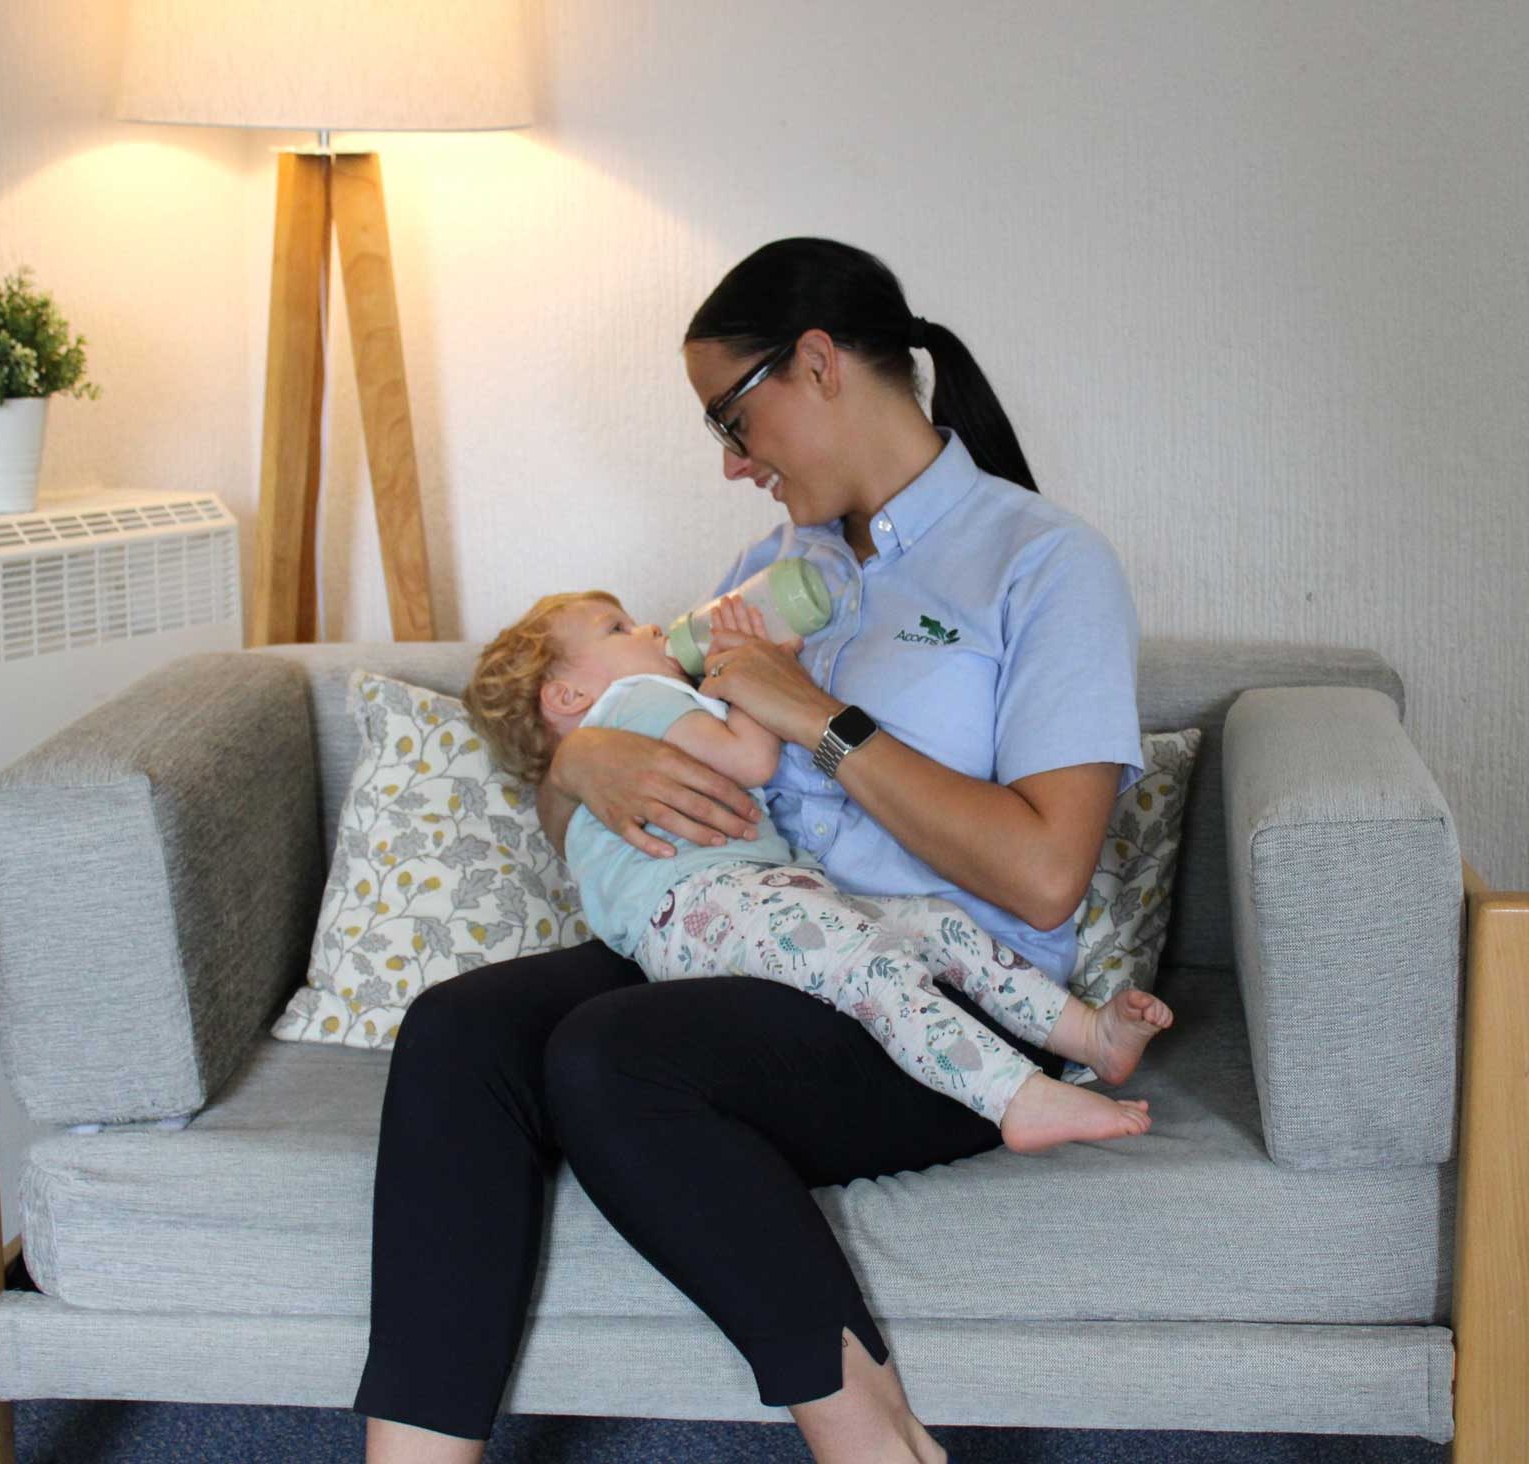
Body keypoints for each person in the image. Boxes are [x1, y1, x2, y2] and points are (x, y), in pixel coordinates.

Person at [357, 237, 1148, 1464]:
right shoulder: (770, 573)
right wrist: (578, 768)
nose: (731, 463)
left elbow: (1044, 872)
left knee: (613, 1056)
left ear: (819, 365)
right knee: (462, 1028)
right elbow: (618, 749)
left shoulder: (1044, 565)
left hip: (929, 992)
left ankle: (866, 1436)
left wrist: (816, 717)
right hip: (756, 938)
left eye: (733, 418)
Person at [459, 586, 1171, 1145]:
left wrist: (748, 666)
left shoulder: (627, 723)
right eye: (617, 629)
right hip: (709, 904)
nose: (647, 629)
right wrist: (763, 675)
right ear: (566, 697)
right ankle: (1013, 1093)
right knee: (871, 963)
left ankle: (1087, 1034)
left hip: (736, 904)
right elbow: (752, 757)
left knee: (932, 924)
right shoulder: (635, 700)